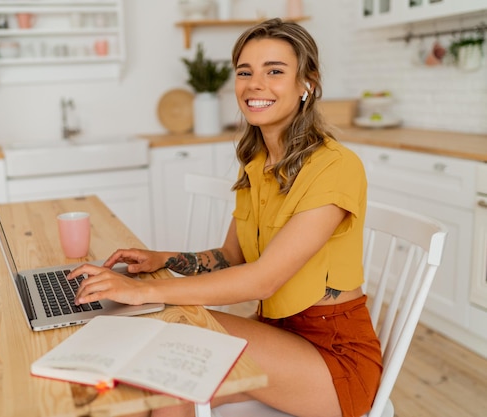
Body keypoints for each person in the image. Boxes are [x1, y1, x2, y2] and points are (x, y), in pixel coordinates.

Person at [70, 18, 382, 417]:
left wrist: (143, 292)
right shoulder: (256, 162)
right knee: (150, 383)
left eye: (275, 71)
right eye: (244, 72)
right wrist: (164, 260)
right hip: (277, 335)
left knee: (168, 333)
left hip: (334, 362)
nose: (255, 84)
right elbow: (231, 256)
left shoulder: (336, 165)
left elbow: (263, 277)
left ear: (307, 84)